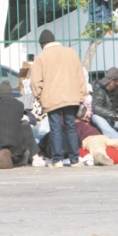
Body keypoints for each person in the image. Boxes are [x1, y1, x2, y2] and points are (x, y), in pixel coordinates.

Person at [30, 30, 87, 168]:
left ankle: (57, 160)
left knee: (55, 128)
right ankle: (75, 159)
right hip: (71, 96)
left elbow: (35, 82)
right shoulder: (71, 53)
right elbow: (81, 76)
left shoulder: (41, 57)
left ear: (42, 44)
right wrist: (81, 95)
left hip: (51, 98)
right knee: (70, 127)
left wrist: (40, 96)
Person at [0, 81, 36, 168]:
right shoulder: (19, 105)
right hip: (17, 146)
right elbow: (19, 117)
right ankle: (35, 154)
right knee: (25, 124)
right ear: (10, 93)